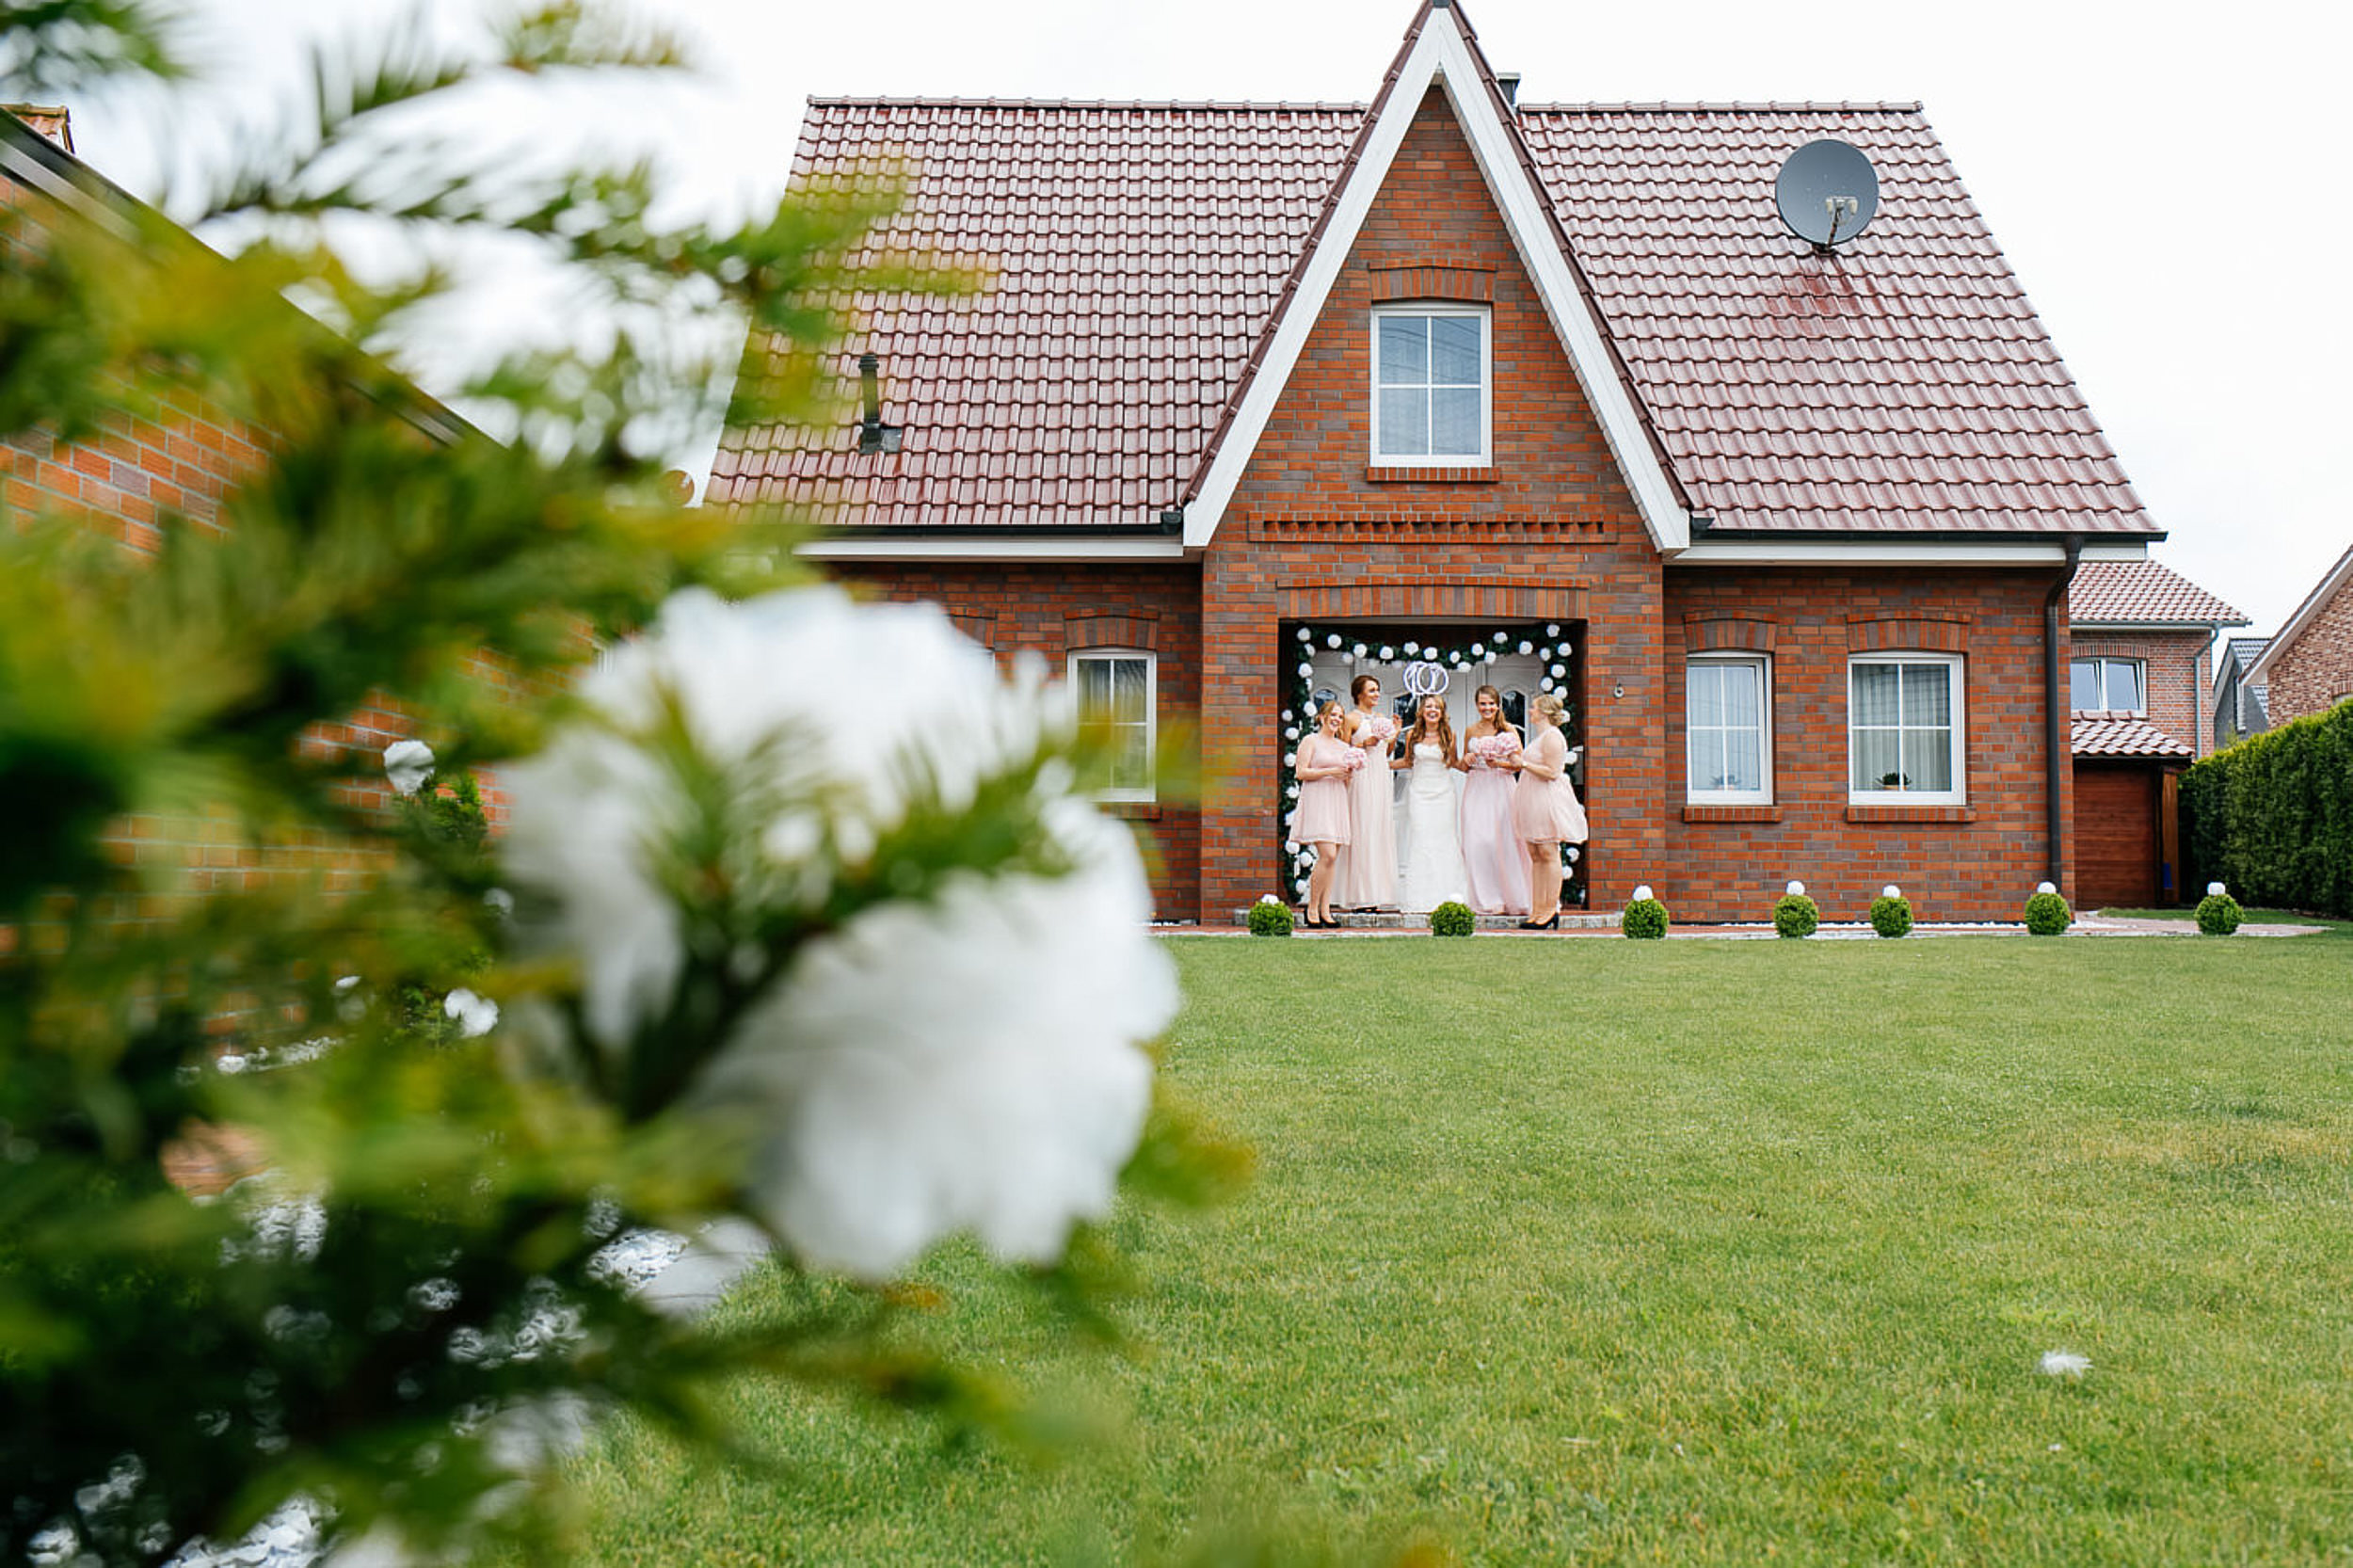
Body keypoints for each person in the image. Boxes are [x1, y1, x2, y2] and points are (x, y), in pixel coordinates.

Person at [1508, 692, 1587, 929]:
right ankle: (1537, 909)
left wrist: (1524, 763)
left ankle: (1550, 909)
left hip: (1546, 798)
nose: (1530, 711)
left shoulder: (1553, 737)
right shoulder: (1540, 737)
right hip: (1532, 797)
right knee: (1535, 854)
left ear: (1543, 712)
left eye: (1533, 707)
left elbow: (1552, 772)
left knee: (1548, 852)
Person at [1460, 684, 1531, 917]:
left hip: (1501, 787)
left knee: (1503, 843)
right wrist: (1468, 759)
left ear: (1498, 705)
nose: (1487, 708)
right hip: (1477, 787)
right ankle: (1486, 899)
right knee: (1477, 842)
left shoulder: (1508, 729)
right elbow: (1463, 765)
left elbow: (1519, 763)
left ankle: (1511, 897)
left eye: (1491, 703)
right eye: (1482, 703)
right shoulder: (1471, 730)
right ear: (1476, 705)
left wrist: (1498, 763)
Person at [1395, 693, 1469, 914]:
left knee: (1444, 840)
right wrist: (1380, 764)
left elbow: (1453, 762)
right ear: (1422, 711)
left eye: (1437, 707)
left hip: (1443, 793)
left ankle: (1447, 895)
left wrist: (1470, 763)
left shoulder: (1449, 735)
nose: (1433, 710)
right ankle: (1420, 898)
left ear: (1442, 712)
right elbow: (1407, 761)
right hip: (1419, 793)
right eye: (1428, 706)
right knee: (1421, 840)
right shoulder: (1413, 736)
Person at [1330, 674, 1400, 911]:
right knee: (1362, 831)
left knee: (1379, 832)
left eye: (1377, 690)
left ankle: (1377, 894)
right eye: (1371, 690)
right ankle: (1359, 895)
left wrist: (1395, 733)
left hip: (1380, 775)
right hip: (1361, 777)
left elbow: (1386, 751)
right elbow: (1341, 749)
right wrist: (1363, 744)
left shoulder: (1381, 718)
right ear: (1359, 694)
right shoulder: (1350, 718)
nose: (1376, 694)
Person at [1289, 701, 1357, 928]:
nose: (1337, 719)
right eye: (1333, 715)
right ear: (1322, 717)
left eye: (1340, 716)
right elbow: (1300, 772)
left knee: (1332, 859)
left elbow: (1346, 779)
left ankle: (1326, 910)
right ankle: (1312, 906)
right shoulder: (1311, 741)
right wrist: (1330, 771)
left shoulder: (1343, 746)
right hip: (1318, 799)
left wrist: (1347, 776)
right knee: (1326, 854)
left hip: (1336, 799)